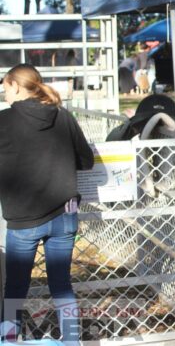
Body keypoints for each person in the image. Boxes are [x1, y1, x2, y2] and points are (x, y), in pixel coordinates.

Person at [0, 64, 94, 344]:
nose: (4, 93)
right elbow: (86, 160)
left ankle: (10, 340)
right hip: (65, 214)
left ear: (16, 85)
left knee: (15, 289)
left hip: (23, 219)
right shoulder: (63, 116)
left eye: (4, 87)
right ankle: (72, 341)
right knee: (62, 285)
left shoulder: (4, 121)